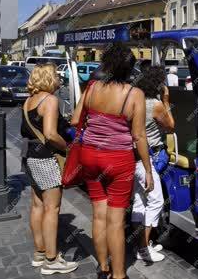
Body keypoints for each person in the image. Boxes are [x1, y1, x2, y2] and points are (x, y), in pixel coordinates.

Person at [71, 43, 152, 279]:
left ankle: (103, 268)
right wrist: (147, 169)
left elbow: (76, 120)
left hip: (89, 156)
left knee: (98, 214)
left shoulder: (93, 87)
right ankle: (119, 275)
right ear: (130, 69)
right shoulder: (134, 94)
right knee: (116, 221)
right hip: (118, 159)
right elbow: (138, 136)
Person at [21, 64, 79, 275]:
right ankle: (52, 259)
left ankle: (40, 253)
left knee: (37, 205)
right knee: (52, 208)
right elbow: (51, 134)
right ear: (48, 78)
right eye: (55, 75)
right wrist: (68, 148)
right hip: (46, 159)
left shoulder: (28, 101)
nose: (58, 78)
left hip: (29, 157)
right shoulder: (50, 100)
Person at [132, 66, 175, 263]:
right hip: (149, 157)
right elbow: (170, 126)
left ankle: (141, 244)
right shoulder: (156, 104)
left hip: (133, 157)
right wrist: (166, 100)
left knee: (140, 201)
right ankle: (143, 249)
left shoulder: (135, 100)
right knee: (156, 200)